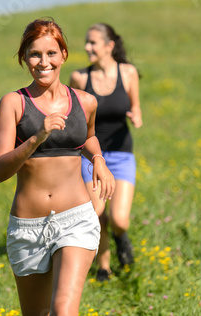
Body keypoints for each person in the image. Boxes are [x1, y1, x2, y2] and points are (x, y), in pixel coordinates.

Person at [0, 18, 115, 316]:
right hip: (27, 227)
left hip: (76, 219)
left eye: (51, 53)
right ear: (24, 59)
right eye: (35, 54)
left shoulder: (85, 102)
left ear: (63, 55)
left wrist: (98, 159)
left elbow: (87, 137)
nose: (43, 62)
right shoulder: (13, 103)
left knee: (63, 311)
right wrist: (36, 138)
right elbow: (0, 170)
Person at [70, 23, 142, 282]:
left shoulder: (128, 73)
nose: (87, 47)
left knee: (120, 220)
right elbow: (73, 114)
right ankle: (104, 267)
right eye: (87, 43)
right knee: (97, 214)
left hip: (122, 155)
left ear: (109, 46)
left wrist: (136, 115)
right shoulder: (79, 78)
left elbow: (135, 105)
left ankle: (121, 239)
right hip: (91, 157)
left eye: (93, 43)